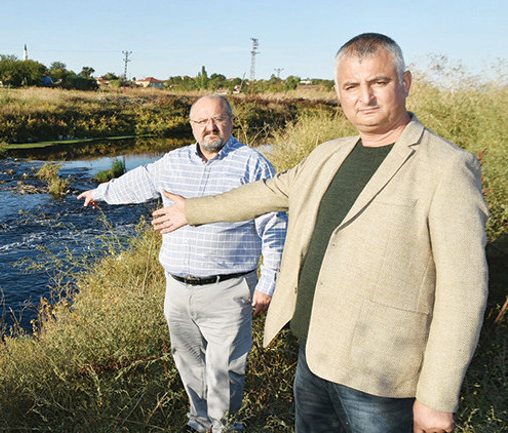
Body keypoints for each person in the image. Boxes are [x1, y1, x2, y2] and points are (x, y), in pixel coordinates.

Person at [152, 33, 488, 433]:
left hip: (379, 377)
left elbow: (463, 293)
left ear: (405, 83)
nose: (366, 97)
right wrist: (191, 211)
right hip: (313, 355)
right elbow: (268, 192)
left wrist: (436, 398)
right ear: (339, 93)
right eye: (352, 86)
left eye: (378, 82)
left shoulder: (447, 168)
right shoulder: (331, 153)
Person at [78, 95, 287, 432]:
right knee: (188, 361)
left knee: (225, 368)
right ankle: (199, 421)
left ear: (231, 121)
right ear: (192, 126)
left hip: (229, 288)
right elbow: (138, 180)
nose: (210, 127)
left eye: (218, 119)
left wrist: (269, 282)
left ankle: (224, 427)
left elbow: (274, 225)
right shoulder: (172, 162)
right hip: (177, 288)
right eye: (202, 121)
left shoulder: (253, 164)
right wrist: (101, 192)